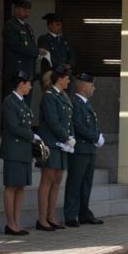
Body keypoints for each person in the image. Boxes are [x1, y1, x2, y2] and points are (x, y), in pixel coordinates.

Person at [0, 70, 41, 236]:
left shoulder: (23, 103)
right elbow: (14, 126)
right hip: (13, 150)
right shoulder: (10, 101)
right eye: (29, 83)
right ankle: (10, 224)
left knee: (21, 187)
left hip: (24, 150)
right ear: (21, 84)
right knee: (11, 186)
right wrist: (32, 136)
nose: (30, 87)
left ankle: (17, 222)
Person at [64, 72, 105, 228]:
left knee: (86, 184)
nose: (93, 88)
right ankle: (71, 215)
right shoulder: (75, 103)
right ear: (83, 85)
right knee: (75, 182)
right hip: (80, 148)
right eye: (91, 84)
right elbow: (78, 126)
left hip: (89, 150)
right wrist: (95, 137)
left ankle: (83, 213)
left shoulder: (86, 104)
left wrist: (96, 137)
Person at [36, 65, 74, 231]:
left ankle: (52, 217)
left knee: (58, 180)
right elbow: (52, 121)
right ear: (60, 78)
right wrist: (66, 137)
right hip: (51, 142)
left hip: (61, 144)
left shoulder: (63, 96)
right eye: (67, 77)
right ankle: (42, 219)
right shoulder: (49, 96)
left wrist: (70, 137)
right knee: (47, 179)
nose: (69, 80)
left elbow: (68, 120)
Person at [2, 0, 38, 102]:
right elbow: (17, 46)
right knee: (14, 104)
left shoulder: (28, 27)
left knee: (25, 105)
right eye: (24, 9)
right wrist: (37, 51)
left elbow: (30, 46)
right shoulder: (10, 25)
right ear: (16, 9)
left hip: (27, 72)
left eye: (28, 10)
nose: (27, 12)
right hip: (16, 72)